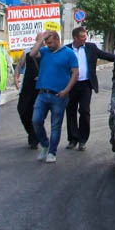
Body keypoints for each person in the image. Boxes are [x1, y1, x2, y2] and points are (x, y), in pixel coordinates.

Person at [28, 28, 78, 163]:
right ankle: (44, 144)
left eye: (50, 42)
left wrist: (67, 90)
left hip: (59, 95)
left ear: (57, 40)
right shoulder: (44, 51)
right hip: (43, 93)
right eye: (47, 42)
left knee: (56, 125)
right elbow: (32, 54)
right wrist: (42, 38)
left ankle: (52, 152)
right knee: (36, 120)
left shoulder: (69, 54)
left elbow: (75, 73)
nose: (48, 45)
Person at [65, 26, 115, 151]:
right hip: (71, 85)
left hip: (86, 84)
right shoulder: (66, 50)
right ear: (75, 38)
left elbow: (105, 55)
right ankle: (73, 138)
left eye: (85, 36)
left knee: (84, 111)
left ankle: (82, 139)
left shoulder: (91, 47)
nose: (85, 38)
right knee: (70, 111)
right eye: (82, 36)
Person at [15, 48, 41, 149]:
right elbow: (19, 66)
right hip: (26, 88)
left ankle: (34, 138)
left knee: (36, 114)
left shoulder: (47, 52)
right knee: (23, 111)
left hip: (40, 89)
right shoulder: (27, 52)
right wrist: (16, 78)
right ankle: (31, 132)